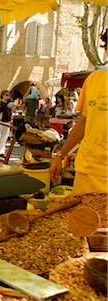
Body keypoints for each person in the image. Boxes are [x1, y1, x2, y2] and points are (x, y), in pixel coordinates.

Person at [50, 28, 108, 195]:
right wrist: (60, 156)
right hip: (88, 170)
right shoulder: (94, 80)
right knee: (83, 219)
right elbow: (82, 123)